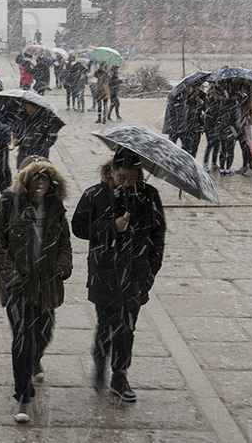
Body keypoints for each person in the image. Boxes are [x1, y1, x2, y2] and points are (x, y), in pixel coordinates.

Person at [71, 149, 166, 402]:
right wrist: (111, 226)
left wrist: (150, 270)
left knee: (127, 327)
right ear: (112, 171)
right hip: (105, 273)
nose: (127, 182)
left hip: (136, 275)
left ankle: (120, 375)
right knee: (106, 326)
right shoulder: (95, 195)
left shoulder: (149, 196)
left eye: (133, 177)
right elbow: (78, 228)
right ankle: (100, 367)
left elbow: (158, 236)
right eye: (122, 176)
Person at [0, 157, 72, 423]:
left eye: (45, 178)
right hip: (19, 287)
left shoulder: (56, 207)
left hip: (46, 285)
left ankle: (35, 360)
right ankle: (23, 395)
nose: (40, 182)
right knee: (23, 338)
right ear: (25, 179)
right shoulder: (6, 203)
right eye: (35, 177)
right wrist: (12, 277)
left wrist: (63, 266)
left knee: (44, 333)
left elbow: (64, 243)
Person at [11, 102, 59, 169]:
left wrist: (44, 146)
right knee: (23, 174)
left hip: (39, 153)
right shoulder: (21, 117)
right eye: (28, 107)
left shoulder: (45, 118)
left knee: (38, 173)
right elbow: (16, 130)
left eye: (34, 107)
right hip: (24, 151)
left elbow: (52, 135)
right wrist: (15, 138)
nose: (31, 109)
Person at [163, 87, 205, 158]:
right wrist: (177, 127)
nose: (191, 90)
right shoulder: (176, 99)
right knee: (172, 147)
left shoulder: (189, 99)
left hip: (186, 127)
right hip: (176, 128)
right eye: (189, 89)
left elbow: (198, 110)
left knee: (187, 148)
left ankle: (182, 161)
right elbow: (172, 115)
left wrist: (199, 101)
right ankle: (172, 161)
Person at [237, 85, 252, 176]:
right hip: (241, 125)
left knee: (249, 146)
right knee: (243, 146)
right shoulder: (241, 98)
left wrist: (249, 116)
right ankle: (245, 165)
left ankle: (251, 166)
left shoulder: (250, 99)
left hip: (248, 125)